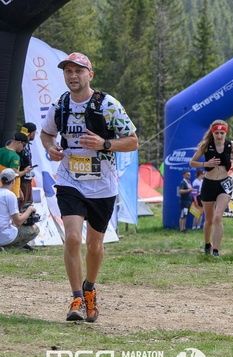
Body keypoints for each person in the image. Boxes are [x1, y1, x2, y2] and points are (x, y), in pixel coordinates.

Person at [40, 52, 138, 322]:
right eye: (68, 71)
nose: (73, 76)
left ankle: (89, 289)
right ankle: (76, 299)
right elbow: (46, 133)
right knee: (72, 237)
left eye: (79, 71)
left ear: (90, 75)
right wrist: (51, 149)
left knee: (94, 246)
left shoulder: (107, 104)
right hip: (69, 180)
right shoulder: (60, 105)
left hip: (102, 185)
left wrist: (105, 144)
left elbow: (132, 141)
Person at [189, 120, 233, 258]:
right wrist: (206, 163)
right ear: (212, 133)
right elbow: (192, 162)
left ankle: (215, 251)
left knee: (217, 217)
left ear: (226, 133)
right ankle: (207, 244)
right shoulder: (206, 146)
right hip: (209, 183)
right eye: (217, 133)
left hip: (224, 184)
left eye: (222, 133)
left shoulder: (231, 144)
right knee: (209, 219)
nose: (219, 136)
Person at [0, 169, 39, 250]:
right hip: (4, 235)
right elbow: (18, 221)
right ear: (13, 181)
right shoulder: (10, 195)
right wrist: (30, 209)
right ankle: (10, 248)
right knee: (35, 229)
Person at [0, 132, 32, 199]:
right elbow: (14, 175)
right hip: (11, 191)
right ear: (19, 142)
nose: (23, 148)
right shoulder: (15, 156)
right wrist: (26, 171)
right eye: (24, 145)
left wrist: (19, 190)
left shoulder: (1, 150)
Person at [18, 122, 37, 209]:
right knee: (22, 206)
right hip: (21, 180)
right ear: (32, 133)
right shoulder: (20, 145)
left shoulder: (26, 144)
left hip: (27, 179)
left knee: (28, 205)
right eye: (35, 132)